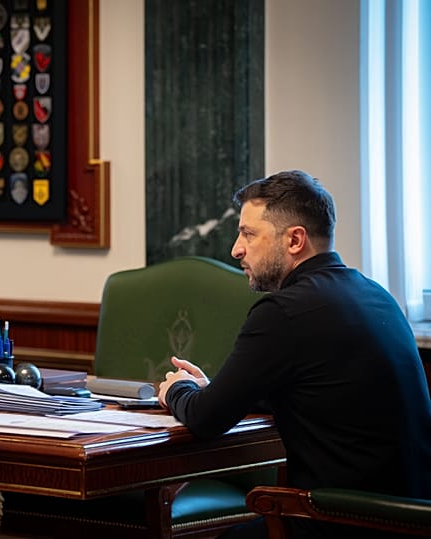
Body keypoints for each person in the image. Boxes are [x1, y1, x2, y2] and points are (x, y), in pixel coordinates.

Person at [158, 170, 431, 539]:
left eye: (249, 234)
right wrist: (212, 390)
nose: (236, 249)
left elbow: (206, 421)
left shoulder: (284, 311)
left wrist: (176, 390)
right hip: (405, 519)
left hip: (340, 518)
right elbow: (326, 395)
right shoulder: (373, 295)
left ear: (295, 240)